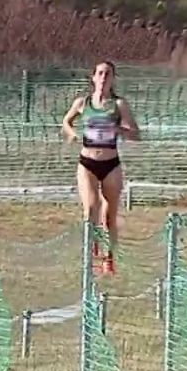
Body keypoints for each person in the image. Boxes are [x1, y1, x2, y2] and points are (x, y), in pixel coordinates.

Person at [60, 60, 141, 275]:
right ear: (93, 77)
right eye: (100, 73)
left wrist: (119, 129)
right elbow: (66, 122)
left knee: (109, 216)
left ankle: (109, 259)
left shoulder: (119, 104)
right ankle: (90, 252)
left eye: (108, 74)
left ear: (113, 79)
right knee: (90, 208)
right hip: (87, 163)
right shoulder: (82, 103)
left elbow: (136, 133)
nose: (104, 77)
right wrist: (72, 133)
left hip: (111, 164)